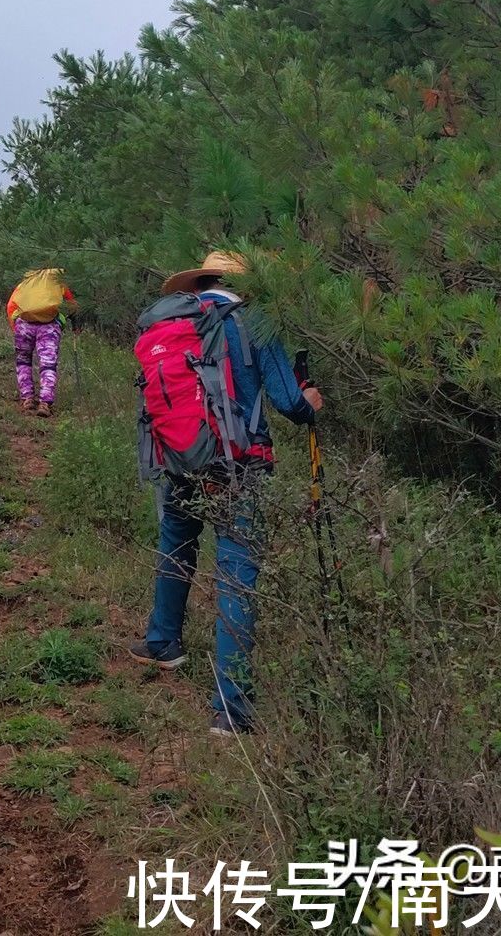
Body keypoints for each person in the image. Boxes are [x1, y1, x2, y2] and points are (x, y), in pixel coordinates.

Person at [129, 250, 323, 737]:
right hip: (241, 470)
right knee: (236, 573)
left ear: (201, 283)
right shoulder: (253, 321)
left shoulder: (179, 321)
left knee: (177, 541)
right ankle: (230, 710)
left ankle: (162, 642)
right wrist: (310, 403)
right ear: (246, 285)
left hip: (181, 460)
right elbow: (288, 402)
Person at [6, 268, 75, 417]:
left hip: (24, 325)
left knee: (23, 361)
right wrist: (74, 324)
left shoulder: (26, 282)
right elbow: (72, 305)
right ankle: (45, 403)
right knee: (48, 363)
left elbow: (11, 306)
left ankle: (27, 398)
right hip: (49, 327)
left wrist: (15, 327)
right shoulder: (58, 282)